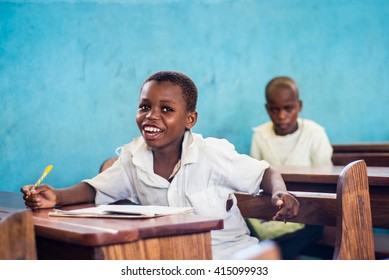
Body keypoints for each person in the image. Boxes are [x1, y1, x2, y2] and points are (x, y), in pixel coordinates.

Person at [21, 71, 299, 260]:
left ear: (190, 119)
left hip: (230, 256)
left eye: (166, 109)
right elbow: (95, 189)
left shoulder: (211, 153)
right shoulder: (133, 158)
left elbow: (265, 172)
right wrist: (56, 196)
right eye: (145, 107)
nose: (151, 116)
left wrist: (278, 193)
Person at [248, 76, 333, 259]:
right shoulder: (260, 135)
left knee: (306, 231)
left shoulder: (315, 134)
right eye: (274, 109)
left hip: (309, 211)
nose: (281, 116)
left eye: (288, 108)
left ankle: (269, 261)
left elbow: (328, 182)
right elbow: (256, 178)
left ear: (299, 106)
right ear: (267, 109)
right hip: (271, 210)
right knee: (243, 223)